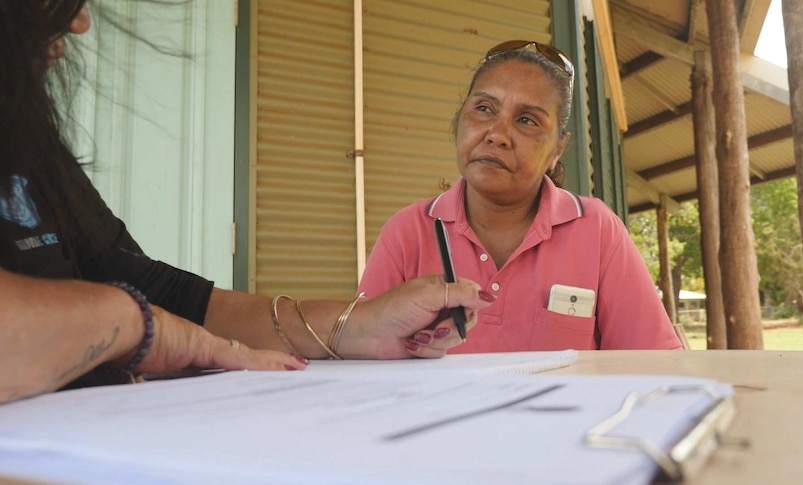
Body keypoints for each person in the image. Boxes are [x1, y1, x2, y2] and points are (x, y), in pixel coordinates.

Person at [0, 0, 496, 405]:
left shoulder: (29, 138)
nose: (80, 20)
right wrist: (137, 324)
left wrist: (359, 329)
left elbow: (146, 285)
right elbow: (133, 305)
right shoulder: (410, 224)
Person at [358, 40, 681, 352]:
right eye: (483, 108)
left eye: (527, 120)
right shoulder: (409, 231)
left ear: (557, 149)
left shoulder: (596, 229)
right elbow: (361, 351)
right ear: (460, 121)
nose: (497, 135)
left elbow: (653, 362)